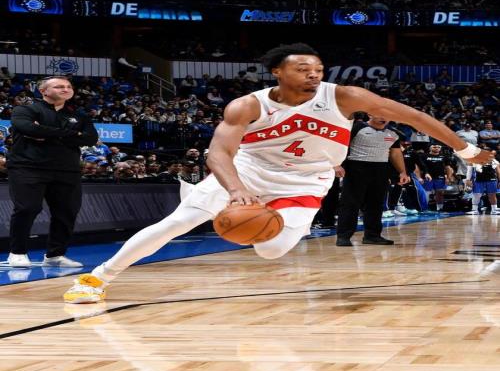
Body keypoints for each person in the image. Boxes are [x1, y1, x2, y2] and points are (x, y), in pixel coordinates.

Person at [63, 43, 494, 303]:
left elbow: (414, 117)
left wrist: (467, 149)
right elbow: (218, 153)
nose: (312, 75)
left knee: (270, 250)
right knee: (177, 222)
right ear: (277, 72)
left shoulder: (343, 97)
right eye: (302, 69)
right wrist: (236, 191)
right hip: (248, 172)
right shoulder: (248, 105)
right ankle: (97, 278)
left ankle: (254, 223)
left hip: (306, 181)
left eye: (317, 70)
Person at [7, 76, 98, 267]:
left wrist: (45, 132)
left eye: (68, 86)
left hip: (67, 170)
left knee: (67, 212)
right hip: (28, 167)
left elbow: (90, 139)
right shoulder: (25, 110)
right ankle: (17, 253)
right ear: (43, 91)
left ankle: (55, 256)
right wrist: (73, 134)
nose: (65, 89)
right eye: (59, 86)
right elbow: (26, 128)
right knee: (27, 208)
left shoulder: (80, 115)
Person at [335, 116, 410, 247]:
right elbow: (340, 145)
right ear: (370, 114)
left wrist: (402, 172)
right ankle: (343, 236)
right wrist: (336, 164)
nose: (384, 118)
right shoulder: (357, 127)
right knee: (350, 203)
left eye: (386, 116)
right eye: (380, 114)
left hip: (381, 169)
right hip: (356, 167)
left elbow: (395, 153)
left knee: (376, 204)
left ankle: (372, 236)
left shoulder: (393, 133)